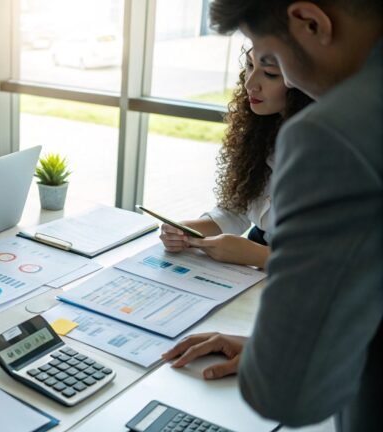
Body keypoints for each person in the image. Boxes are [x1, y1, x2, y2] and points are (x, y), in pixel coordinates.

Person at [162, 0, 382, 430]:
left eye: (272, 61)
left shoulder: (335, 132)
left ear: (310, 22)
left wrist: (272, 357)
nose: (259, 81)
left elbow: (286, 394)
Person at [160, 49, 312, 269]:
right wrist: (188, 230)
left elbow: (335, 260)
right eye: (250, 66)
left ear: (304, 81)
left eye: (269, 73)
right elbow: (236, 210)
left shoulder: (334, 153)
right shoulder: (261, 132)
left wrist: (256, 255)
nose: (250, 84)